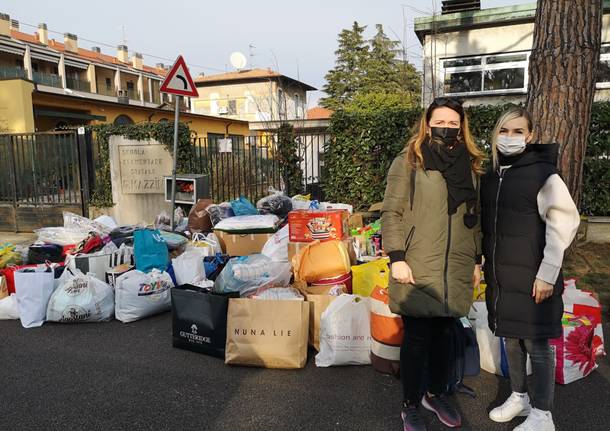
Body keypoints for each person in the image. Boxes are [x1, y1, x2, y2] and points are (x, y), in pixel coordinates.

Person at [381, 97, 485, 431]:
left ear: (461, 127)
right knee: (417, 337)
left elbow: (475, 217)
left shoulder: (471, 164)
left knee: (445, 334)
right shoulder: (409, 160)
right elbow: (391, 211)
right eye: (440, 121)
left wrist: (476, 259)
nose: (446, 127)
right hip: (417, 261)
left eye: (454, 123)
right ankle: (410, 402)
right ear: (427, 123)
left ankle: (436, 392)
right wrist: (396, 257)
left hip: (456, 262)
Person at [481, 107, 580, 431]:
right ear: (495, 135)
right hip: (502, 277)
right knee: (510, 338)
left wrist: (547, 272)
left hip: (534, 276)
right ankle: (519, 396)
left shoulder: (543, 174)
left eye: (518, 131)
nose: (510, 138)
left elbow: (563, 223)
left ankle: (542, 414)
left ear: (531, 135)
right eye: (504, 131)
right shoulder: (492, 175)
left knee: (537, 345)